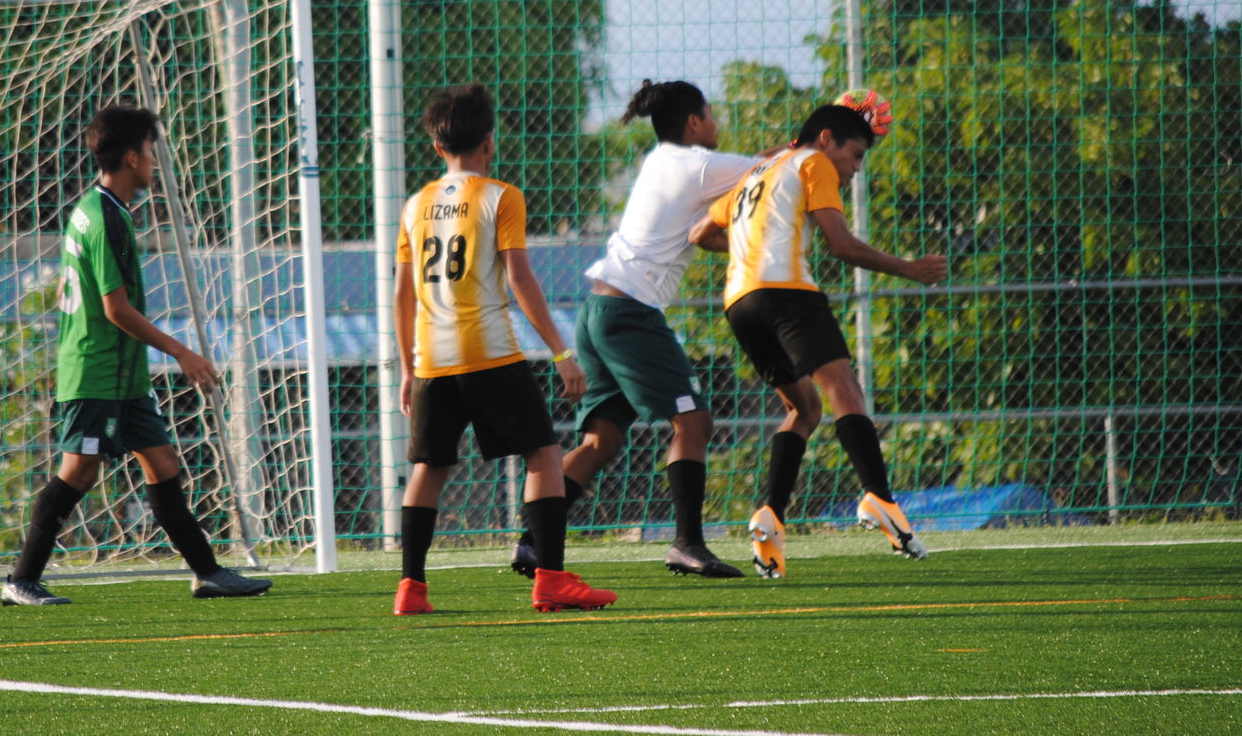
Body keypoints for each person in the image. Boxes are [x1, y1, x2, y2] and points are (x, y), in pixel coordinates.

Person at [510, 80, 782, 580]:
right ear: (694, 123)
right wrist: (817, 144)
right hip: (630, 315)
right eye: (711, 114)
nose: (717, 123)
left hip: (601, 311)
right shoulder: (695, 164)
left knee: (601, 442)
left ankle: (531, 542)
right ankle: (687, 544)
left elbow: (714, 223)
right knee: (694, 422)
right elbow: (773, 168)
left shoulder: (663, 161)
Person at [2, 105, 271, 605]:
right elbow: (115, 309)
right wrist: (182, 353)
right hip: (95, 369)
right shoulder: (103, 219)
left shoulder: (99, 208)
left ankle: (207, 572)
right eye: (150, 152)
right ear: (130, 157)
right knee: (79, 472)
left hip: (123, 375)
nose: (155, 162)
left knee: (164, 463)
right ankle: (20, 580)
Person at [690, 103, 947, 577]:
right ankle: (878, 496)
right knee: (844, 389)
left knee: (803, 409)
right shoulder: (815, 164)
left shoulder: (757, 172)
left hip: (739, 304)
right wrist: (910, 269)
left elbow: (700, 233)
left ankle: (769, 516)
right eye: (854, 155)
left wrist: (756, 238)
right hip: (787, 292)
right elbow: (840, 243)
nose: (854, 168)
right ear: (826, 139)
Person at [393, 84, 616, 615]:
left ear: (435, 146)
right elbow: (520, 278)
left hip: (430, 359)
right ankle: (552, 578)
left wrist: (407, 369)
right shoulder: (500, 196)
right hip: (489, 352)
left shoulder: (415, 204)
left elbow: (402, 295)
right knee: (542, 453)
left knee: (429, 468)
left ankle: (411, 588)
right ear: (489, 141)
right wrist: (562, 352)